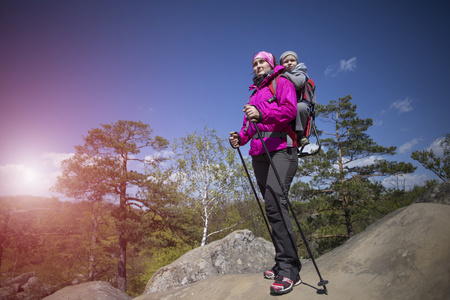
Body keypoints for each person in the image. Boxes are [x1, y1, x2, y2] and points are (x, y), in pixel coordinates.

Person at [229, 51, 301, 295]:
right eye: (255, 63)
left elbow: (289, 111)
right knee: (272, 208)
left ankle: (289, 269)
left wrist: (262, 114)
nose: (258, 65)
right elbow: (249, 126)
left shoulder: (282, 82)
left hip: (282, 149)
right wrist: (240, 137)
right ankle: (284, 260)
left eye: (262, 62)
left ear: (271, 64)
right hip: (260, 154)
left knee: (275, 202)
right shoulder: (254, 93)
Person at [279, 51, 311, 147]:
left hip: (299, 103)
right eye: (286, 61)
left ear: (297, 62)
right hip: (284, 105)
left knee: (300, 107)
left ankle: (300, 135)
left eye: (292, 60)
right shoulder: (278, 77)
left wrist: (285, 75)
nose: (289, 63)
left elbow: (297, 84)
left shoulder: (301, 73)